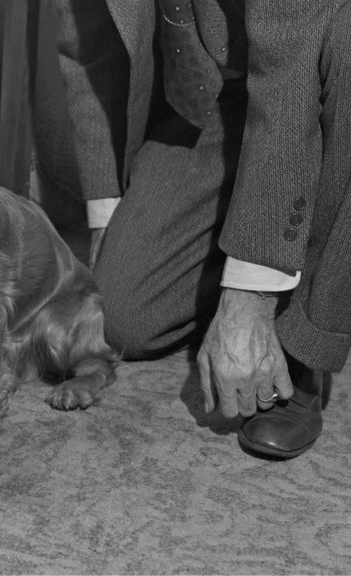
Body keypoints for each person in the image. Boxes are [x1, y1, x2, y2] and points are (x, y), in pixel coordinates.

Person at [53, 0, 351, 458]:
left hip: (311, 72)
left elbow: (286, 78)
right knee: (122, 319)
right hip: (211, 96)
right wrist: (105, 216)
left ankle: (303, 334)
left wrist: (251, 301)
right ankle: (256, 234)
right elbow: (91, 46)